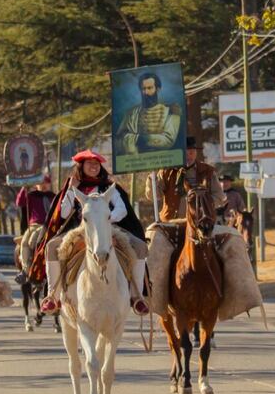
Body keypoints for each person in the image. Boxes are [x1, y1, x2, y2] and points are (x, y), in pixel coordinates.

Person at [31, 150, 149, 316]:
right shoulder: (73, 187)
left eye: (96, 164)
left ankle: (137, 298)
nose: (94, 167)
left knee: (141, 247)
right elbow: (64, 213)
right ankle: (53, 296)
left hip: (109, 228)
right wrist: (72, 190)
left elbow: (122, 209)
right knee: (51, 246)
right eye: (89, 163)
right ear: (81, 166)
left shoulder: (108, 187)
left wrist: (107, 220)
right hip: (79, 230)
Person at [147, 136, 226, 222]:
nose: (188, 156)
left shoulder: (207, 171)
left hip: (200, 223)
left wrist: (203, 205)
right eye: (185, 154)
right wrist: (152, 179)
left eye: (191, 152)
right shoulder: (166, 171)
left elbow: (219, 197)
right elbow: (154, 196)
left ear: (196, 153)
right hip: (171, 223)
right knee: (152, 234)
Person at [115, 71, 182, 155]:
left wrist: (142, 139)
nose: (145, 92)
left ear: (158, 89)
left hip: (162, 161)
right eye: (143, 89)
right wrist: (136, 139)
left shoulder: (171, 111)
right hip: (136, 161)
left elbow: (168, 140)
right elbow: (118, 140)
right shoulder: (131, 113)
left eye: (149, 88)